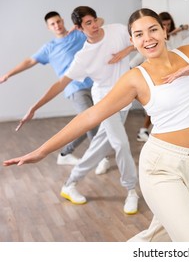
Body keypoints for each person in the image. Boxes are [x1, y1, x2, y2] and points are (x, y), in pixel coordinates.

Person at [4, 8, 189, 241]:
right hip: (162, 166)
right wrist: (43, 150)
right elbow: (90, 116)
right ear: (132, 40)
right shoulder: (135, 78)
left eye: (153, 30)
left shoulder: (187, 53)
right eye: (139, 35)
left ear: (164, 31)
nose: (147, 38)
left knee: (160, 235)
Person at [10, 6, 140, 214]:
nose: (95, 25)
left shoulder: (116, 30)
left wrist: (127, 50)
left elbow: (138, 40)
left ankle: (70, 184)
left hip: (124, 98)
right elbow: (60, 84)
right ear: (79, 28)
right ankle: (131, 190)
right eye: (88, 23)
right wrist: (34, 108)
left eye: (95, 20)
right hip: (105, 101)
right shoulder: (83, 56)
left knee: (99, 146)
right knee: (121, 143)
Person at [0, 11, 108, 169]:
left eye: (58, 21)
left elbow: (100, 21)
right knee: (90, 120)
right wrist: (8, 74)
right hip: (73, 88)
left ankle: (65, 153)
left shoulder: (78, 34)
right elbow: (29, 61)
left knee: (88, 122)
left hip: (94, 83)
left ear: (63, 21)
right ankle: (99, 158)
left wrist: (80, 26)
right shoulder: (49, 48)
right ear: (48, 27)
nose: (57, 25)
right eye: (52, 24)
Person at [129, 11, 189, 142]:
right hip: (162, 80)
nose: (166, 27)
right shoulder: (151, 45)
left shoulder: (178, 36)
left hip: (180, 77)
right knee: (161, 108)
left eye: (168, 25)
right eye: (163, 24)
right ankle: (145, 130)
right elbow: (133, 63)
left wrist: (180, 28)